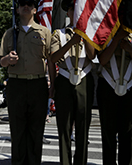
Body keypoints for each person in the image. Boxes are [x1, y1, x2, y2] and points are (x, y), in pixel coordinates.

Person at [0, 0, 52, 164]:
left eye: (29, 3)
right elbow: (1, 61)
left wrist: (53, 85)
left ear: (35, 10)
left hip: (38, 84)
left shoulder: (44, 32)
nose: (26, 6)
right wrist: (7, 59)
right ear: (18, 9)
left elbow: (50, 59)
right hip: (16, 85)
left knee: (36, 131)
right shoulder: (9, 33)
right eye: (22, 3)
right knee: (18, 130)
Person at [49, 1, 96, 164]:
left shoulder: (89, 33)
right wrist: (72, 41)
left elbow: (92, 56)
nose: (74, 12)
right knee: (64, 127)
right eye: (71, 9)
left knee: (83, 128)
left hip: (84, 80)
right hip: (64, 80)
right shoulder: (59, 34)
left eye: (77, 10)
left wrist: (84, 35)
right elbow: (53, 58)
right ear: (68, 13)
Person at [96, 26, 132, 165]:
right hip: (108, 85)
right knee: (108, 133)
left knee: (127, 133)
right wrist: (116, 39)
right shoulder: (106, 34)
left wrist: (128, 48)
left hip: (129, 86)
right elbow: (102, 60)